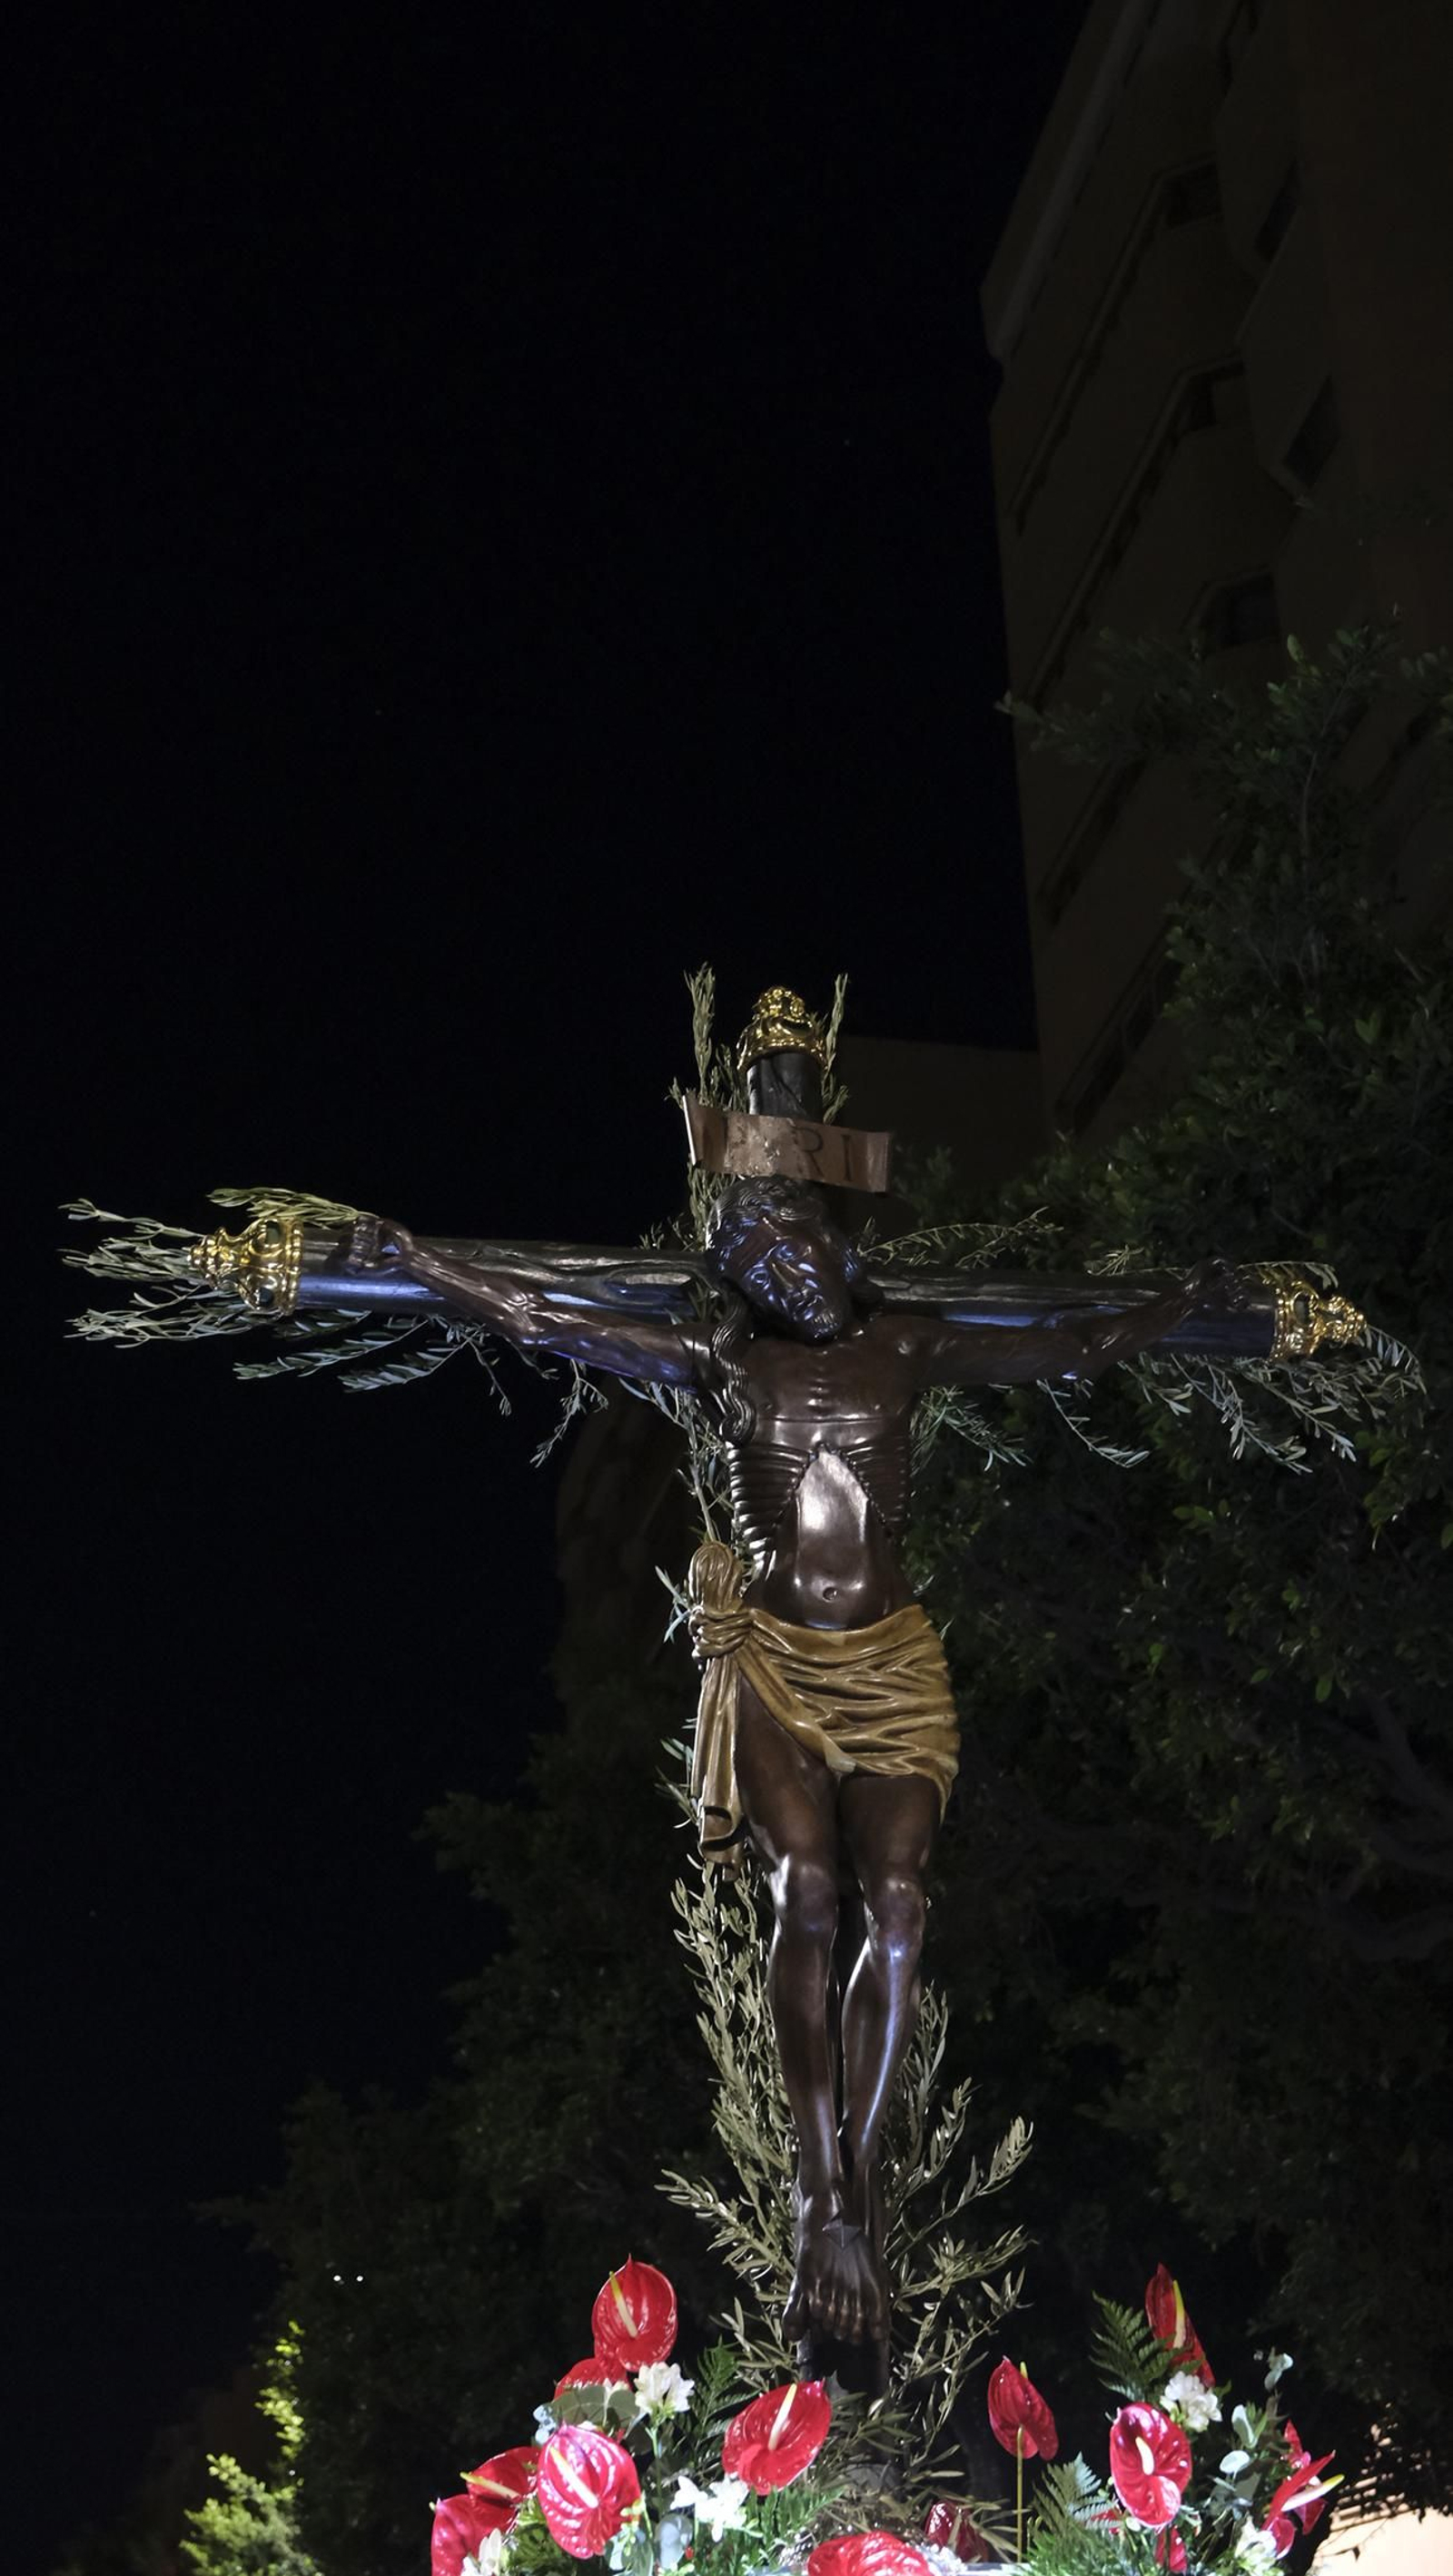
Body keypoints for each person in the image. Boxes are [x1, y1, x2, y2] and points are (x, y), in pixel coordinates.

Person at [348, 1180, 1240, 2375]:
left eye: (800, 1242)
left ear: (836, 1245)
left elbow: (1066, 1344)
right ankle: (829, 2205)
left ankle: (848, 2201)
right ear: (751, 1284)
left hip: (891, 1663)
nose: (791, 1268)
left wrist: (1185, 1299)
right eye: (763, 1259)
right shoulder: (726, 1363)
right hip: (776, 1661)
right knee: (810, 1890)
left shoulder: (908, 1343)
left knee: (905, 1905)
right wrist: (420, 1259)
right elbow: (547, 1316)